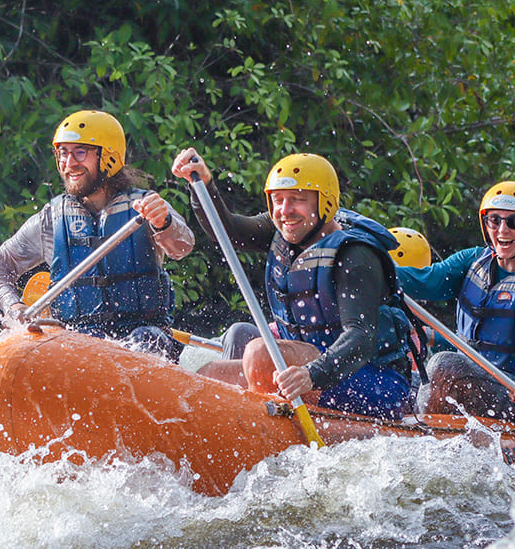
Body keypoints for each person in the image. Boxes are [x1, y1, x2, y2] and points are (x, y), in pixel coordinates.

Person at [169, 148, 420, 419]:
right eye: (277, 200)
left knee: (260, 354)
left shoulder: (355, 256)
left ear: (325, 202)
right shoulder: (282, 232)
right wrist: (202, 185)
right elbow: (230, 232)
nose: (285, 211)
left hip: (373, 381)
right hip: (304, 369)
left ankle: (263, 425)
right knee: (209, 375)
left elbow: (360, 336)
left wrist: (312, 374)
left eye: (298, 200)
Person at [0, 109, 195, 360]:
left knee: (145, 340)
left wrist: (163, 223)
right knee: (70, 349)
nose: (69, 163)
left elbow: (183, 246)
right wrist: (14, 307)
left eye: (80, 152)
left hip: (144, 339)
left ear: (108, 156)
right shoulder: (50, 220)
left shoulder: (145, 206)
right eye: (63, 153)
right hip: (78, 344)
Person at [395, 181, 515, 423]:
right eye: (494, 220)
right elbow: (425, 280)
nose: (502, 230)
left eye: (514, 222)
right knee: (400, 377)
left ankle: (424, 431)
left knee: (442, 365)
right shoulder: (471, 261)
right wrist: (374, 265)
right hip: (474, 381)